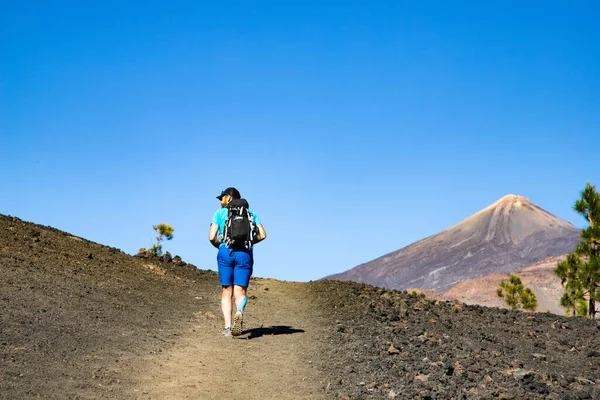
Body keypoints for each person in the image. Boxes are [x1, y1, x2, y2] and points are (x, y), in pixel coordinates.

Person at [208, 187, 267, 337]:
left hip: (225, 253)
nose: (220, 201)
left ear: (229, 198)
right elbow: (263, 235)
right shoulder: (250, 214)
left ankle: (228, 327)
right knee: (240, 292)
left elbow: (211, 236)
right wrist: (249, 243)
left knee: (226, 290)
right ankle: (239, 311)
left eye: (222, 198)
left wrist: (220, 245)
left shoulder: (219, 213)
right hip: (244, 254)